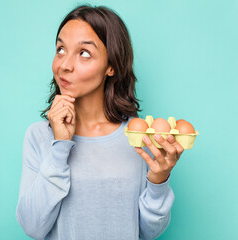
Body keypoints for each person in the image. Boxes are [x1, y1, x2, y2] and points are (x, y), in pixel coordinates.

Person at [16, 4, 184, 240]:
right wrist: (60, 146)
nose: (64, 65)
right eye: (61, 49)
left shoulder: (138, 137)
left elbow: (148, 232)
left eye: (84, 53)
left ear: (111, 66)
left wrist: (158, 181)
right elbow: (33, 227)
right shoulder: (38, 137)